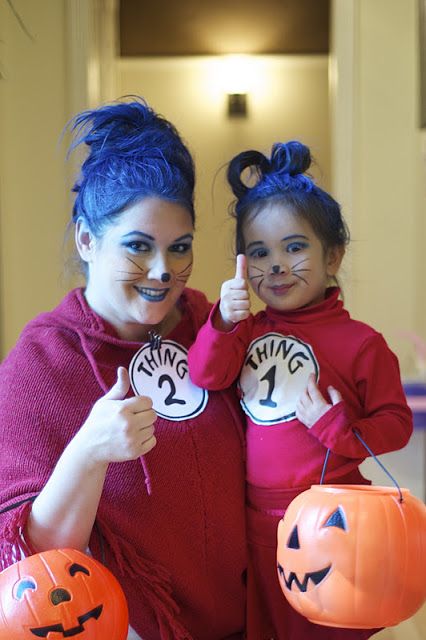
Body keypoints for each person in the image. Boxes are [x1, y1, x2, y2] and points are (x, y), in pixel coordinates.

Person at [0, 97, 247, 640]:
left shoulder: (215, 331)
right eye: (138, 246)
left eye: (179, 248)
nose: (163, 271)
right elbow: (28, 565)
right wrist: (89, 451)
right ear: (87, 240)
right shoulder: (42, 362)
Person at [187, 140, 413, 640]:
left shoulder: (361, 344)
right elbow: (205, 376)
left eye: (295, 247)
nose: (277, 266)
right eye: (260, 253)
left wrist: (336, 428)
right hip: (254, 517)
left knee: (329, 625)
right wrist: (222, 319)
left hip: (332, 520)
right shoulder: (245, 329)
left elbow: (395, 425)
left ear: (333, 255)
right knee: (268, 624)